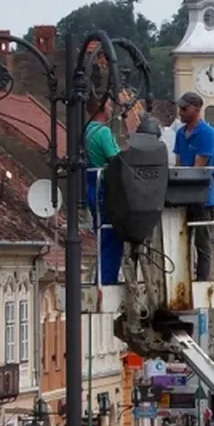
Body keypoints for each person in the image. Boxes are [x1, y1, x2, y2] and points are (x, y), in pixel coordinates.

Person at [172, 91, 214, 282]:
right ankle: (181, 276)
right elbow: (179, 162)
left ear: (197, 109)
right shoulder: (180, 133)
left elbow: (199, 165)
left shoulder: (207, 133)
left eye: (184, 109)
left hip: (202, 195)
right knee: (181, 238)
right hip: (184, 193)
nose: (180, 112)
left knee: (202, 241)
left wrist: (180, 176)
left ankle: (202, 279)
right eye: (180, 108)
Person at [84, 93, 125, 285]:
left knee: (101, 235)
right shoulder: (103, 133)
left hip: (92, 187)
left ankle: (101, 278)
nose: (110, 109)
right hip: (105, 189)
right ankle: (107, 280)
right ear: (101, 108)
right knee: (111, 235)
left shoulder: (86, 131)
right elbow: (115, 159)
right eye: (108, 106)